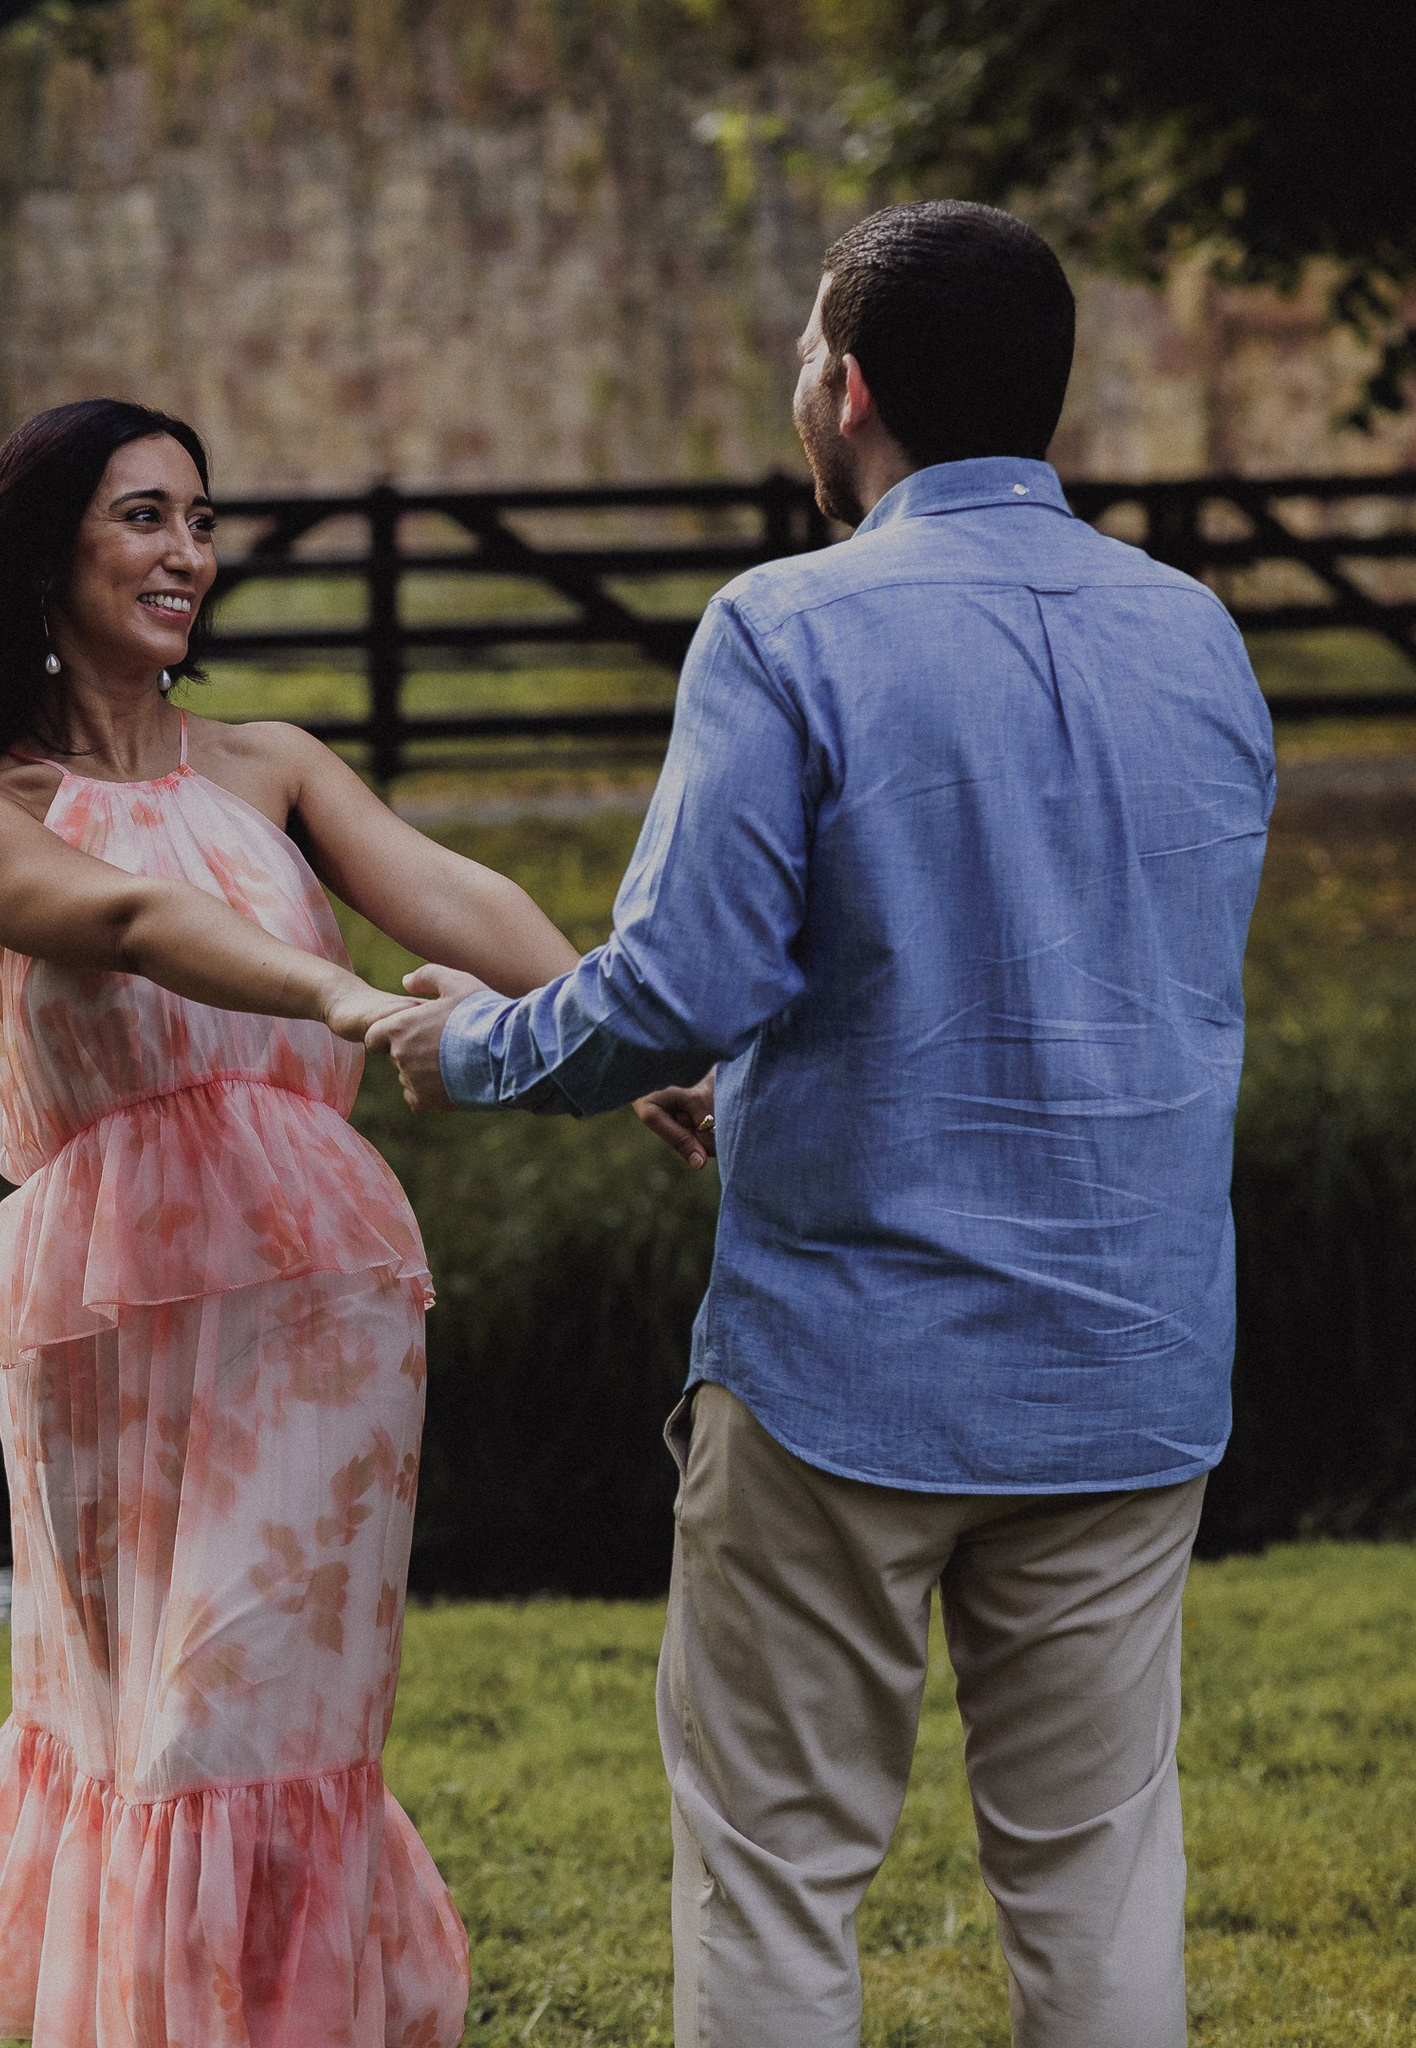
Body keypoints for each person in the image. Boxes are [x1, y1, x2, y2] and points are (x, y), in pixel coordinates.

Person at [370, 201, 1274, 2047]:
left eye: (804, 348)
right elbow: (1092, 972)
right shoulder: (1199, 638)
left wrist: (467, 1045)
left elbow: (678, 985)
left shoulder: (786, 627)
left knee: (777, 1873)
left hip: (847, 1367)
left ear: (847, 388)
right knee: (1101, 1882)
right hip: (1132, 1352)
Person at [0, 396, 587, 2048]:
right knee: (128, 1720)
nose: (188, 552)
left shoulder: (274, 764)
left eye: (199, 517)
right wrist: (335, 991)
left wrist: (621, 1026)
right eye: (144, 517)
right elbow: (119, 916)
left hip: (312, 1286)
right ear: (48, 553)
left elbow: (451, 893)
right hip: (99, 1307)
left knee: (244, 1711)